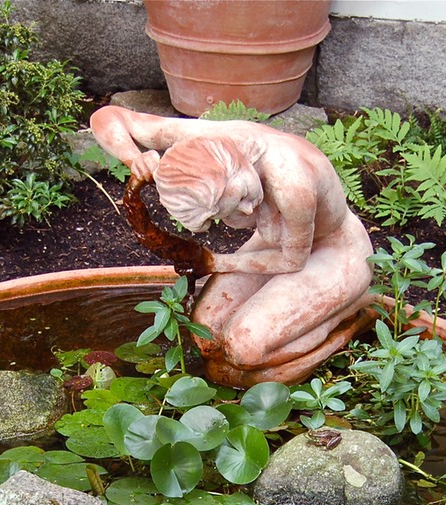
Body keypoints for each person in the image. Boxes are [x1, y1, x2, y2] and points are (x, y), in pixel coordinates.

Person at [90, 107, 375, 386]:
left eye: (243, 195)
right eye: (226, 214)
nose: (250, 210)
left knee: (244, 351)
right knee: (205, 335)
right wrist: (133, 158)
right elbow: (107, 117)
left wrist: (215, 262)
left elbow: (292, 263)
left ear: (236, 165)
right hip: (278, 246)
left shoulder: (290, 183)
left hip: (335, 250)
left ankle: (348, 316)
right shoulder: (203, 143)